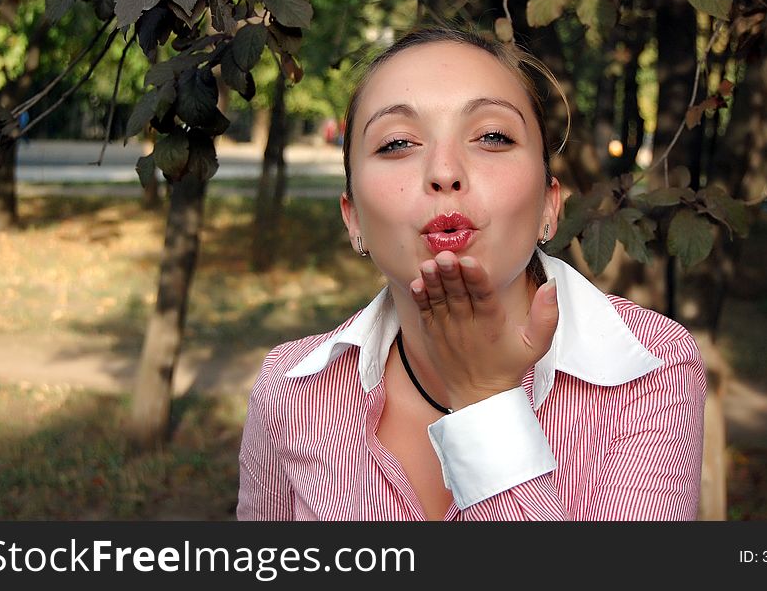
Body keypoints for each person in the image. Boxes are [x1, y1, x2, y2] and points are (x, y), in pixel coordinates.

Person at [237, 26, 706, 521]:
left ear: (550, 206)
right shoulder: (290, 390)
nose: (444, 170)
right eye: (397, 143)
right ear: (353, 219)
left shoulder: (651, 370)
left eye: (492, 136)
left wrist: (483, 400)